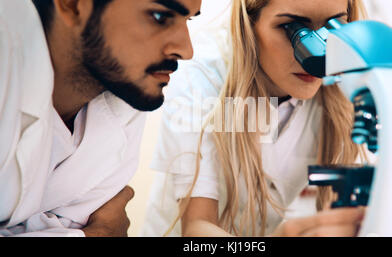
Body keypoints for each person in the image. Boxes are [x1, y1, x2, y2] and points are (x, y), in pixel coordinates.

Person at [143, 0, 372, 237]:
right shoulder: (201, 76)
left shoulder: (341, 89)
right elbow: (197, 229)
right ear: (249, 25)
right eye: (292, 28)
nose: (316, 55)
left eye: (333, 27)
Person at [0, 0, 201, 236]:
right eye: (160, 17)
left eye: (188, 20)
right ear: (72, 5)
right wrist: (99, 233)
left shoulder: (125, 93)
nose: (186, 50)